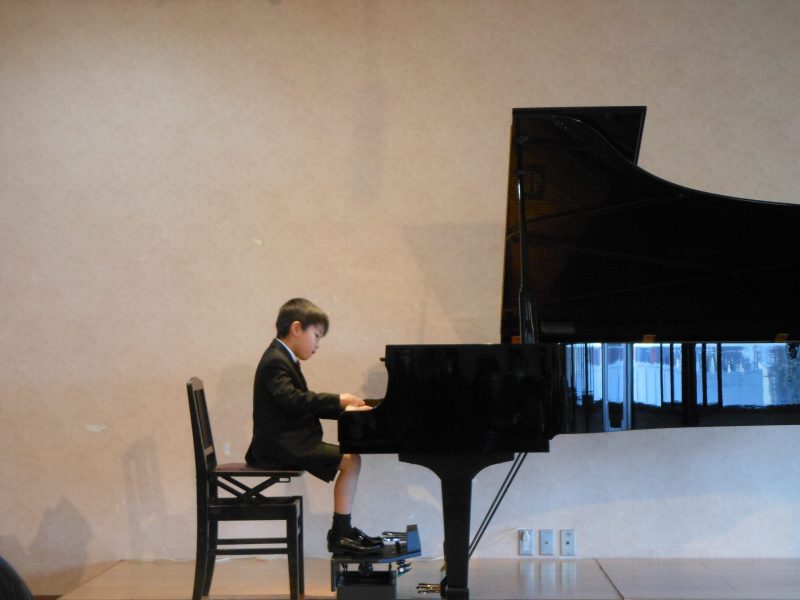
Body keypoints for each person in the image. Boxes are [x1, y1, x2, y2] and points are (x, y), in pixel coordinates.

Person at [245, 298, 382, 554]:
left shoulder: (280, 357)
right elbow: (292, 400)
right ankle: (340, 533)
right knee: (350, 461)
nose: (317, 345)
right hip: (278, 446)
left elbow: (300, 403)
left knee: (352, 460)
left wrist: (347, 411)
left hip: (285, 441)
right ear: (297, 328)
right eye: (316, 336)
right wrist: (339, 401)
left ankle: (343, 530)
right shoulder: (275, 360)